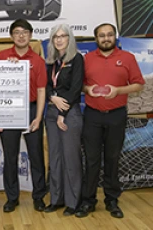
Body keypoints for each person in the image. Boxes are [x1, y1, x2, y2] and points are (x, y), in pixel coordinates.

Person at [75, 23, 145, 219]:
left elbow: (139, 84)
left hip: (117, 115)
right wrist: (87, 89)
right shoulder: (86, 59)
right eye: (102, 35)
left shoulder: (128, 58)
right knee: (91, 159)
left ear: (115, 37)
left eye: (109, 35)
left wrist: (118, 91)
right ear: (96, 39)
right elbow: (78, 85)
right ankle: (88, 200)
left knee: (113, 159)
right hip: (92, 115)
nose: (106, 38)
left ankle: (111, 200)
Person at [0, 19, 47, 213]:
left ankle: (39, 196)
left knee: (36, 156)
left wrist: (39, 117)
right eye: (17, 32)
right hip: (9, 109)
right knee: (10, 156)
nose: (21, 35)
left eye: (25, 32)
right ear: (11, 36)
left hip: (32, 109)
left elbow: (42, 90)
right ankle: (12, 197)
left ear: (30, 35)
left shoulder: (38, 61)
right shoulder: (1, 57)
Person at [44, 24, 84, 216]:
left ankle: (73, 202)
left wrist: (63, 114)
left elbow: (76, 89)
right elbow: (45, 84)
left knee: (71, 159)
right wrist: (52, 97)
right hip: (50, 114)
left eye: (63, 36)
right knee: (55, 158)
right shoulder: (51, 61)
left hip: (69, 114)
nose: (59, 39)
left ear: (70, 38)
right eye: (55, 37)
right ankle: (56, 199)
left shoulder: (77, 59)